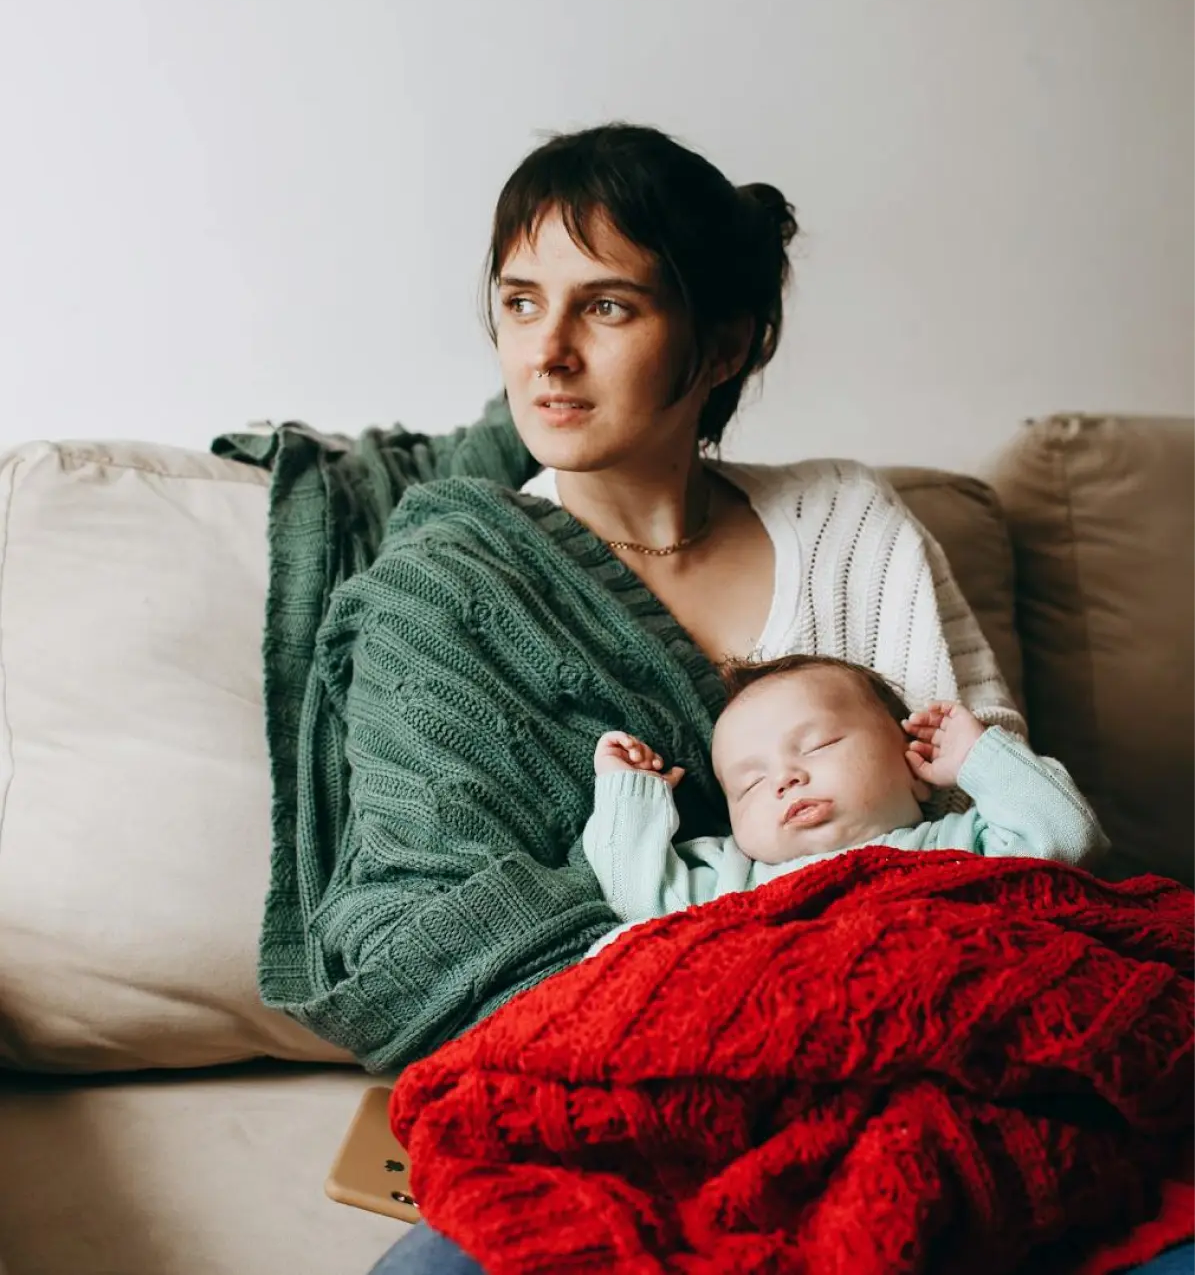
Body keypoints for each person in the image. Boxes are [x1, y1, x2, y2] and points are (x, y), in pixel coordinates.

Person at [366, 123, 1191, 1274]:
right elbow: (453, 917)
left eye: (606, 307)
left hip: (938, 1037)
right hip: (648, 1071)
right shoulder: (457, 582)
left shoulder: (846, 522)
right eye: (518, 303)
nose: (544, 354)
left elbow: (995, 852)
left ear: (722, 345)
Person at [583, 653, 1107, 934]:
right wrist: (629, 794)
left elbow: (1067, 836)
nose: (785, 778)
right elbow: (639, 899)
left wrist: (977, 756)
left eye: (818, 745)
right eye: (750, 784)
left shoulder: (962, 844)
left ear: (916, 766)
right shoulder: (733, 879)